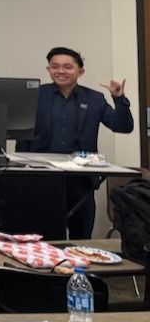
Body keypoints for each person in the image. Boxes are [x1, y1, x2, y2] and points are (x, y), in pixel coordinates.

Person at [15, 47, 133, 239]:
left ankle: (79, 269)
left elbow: (123, 126)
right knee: (43, 236)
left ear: (80, 71)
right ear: (48, 70)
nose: (60, 71)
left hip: (81, 180)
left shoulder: (94, 99)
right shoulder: (36, 95)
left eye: (67, 67)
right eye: (55, 67)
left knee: (81, 236)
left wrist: (119, 99)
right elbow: (21, 135)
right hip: (43, 179)